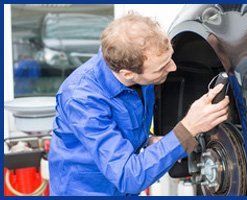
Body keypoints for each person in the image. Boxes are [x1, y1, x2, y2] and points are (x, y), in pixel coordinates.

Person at [48, 13, 229, 196]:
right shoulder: (82, 99)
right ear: (128, 74)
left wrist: (151, 141)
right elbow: (129, 177)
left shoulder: (141, 74)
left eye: (170, 58)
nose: (173, 67)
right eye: (161, 67)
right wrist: (188, 128)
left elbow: (125, 129)